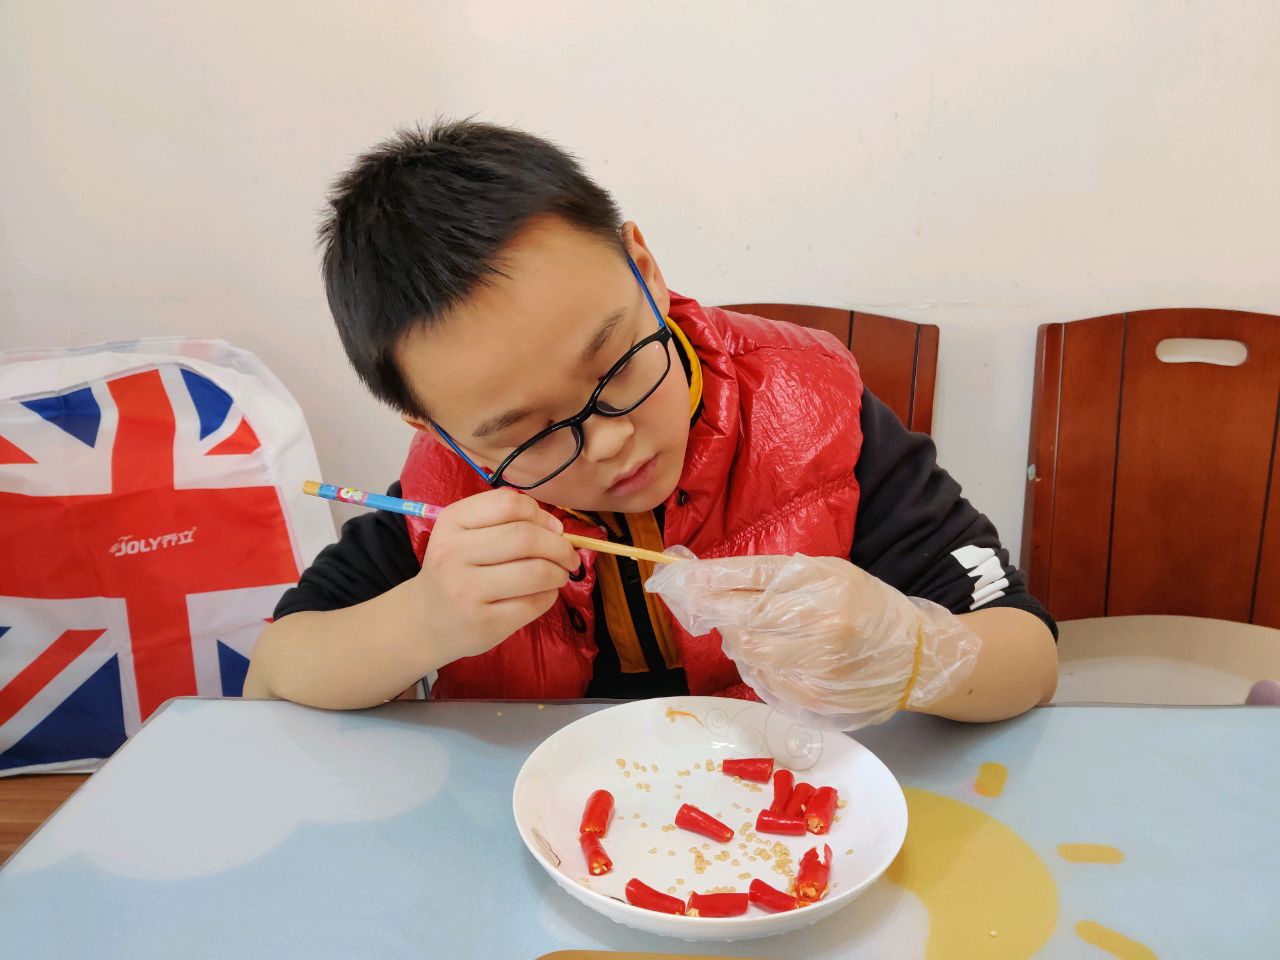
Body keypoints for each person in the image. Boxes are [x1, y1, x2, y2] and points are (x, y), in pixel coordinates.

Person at [245, 120, 1058, 724]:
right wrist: (425, 621)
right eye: (527, 431)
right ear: (433, 426)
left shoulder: (814, 416)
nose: (608, 441)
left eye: (616, 365)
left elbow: (1027, 653)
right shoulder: (454, 497)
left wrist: (910, 653)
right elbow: (274, 675)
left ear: (645, 267)